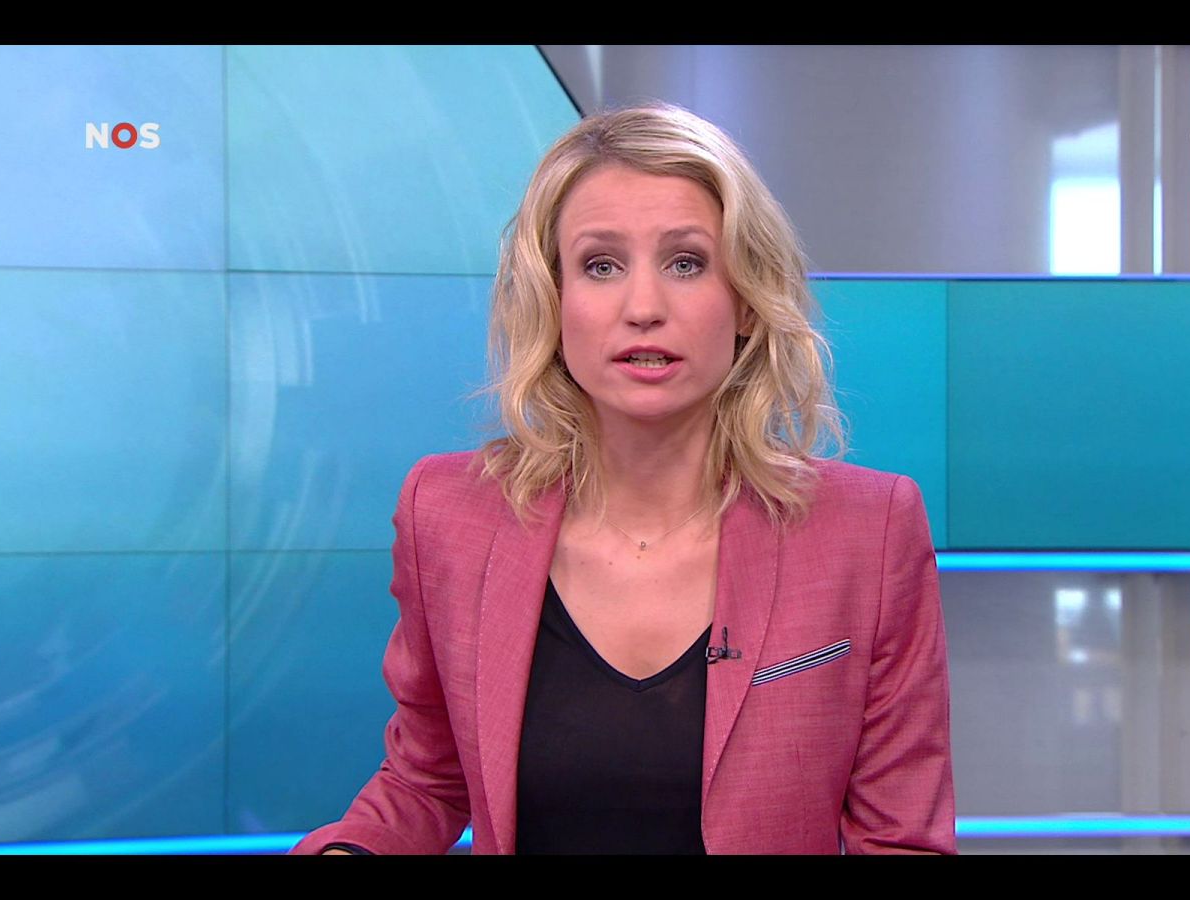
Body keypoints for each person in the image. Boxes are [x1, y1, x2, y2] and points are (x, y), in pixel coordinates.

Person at [291, 102, 955, 855]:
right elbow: (426, 778)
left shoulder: (869, 530)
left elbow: (902, 836)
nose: (643, 308)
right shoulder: (447, 516)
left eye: (686, 263)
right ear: (554, 300)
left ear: (745, 299)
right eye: (601, 266)